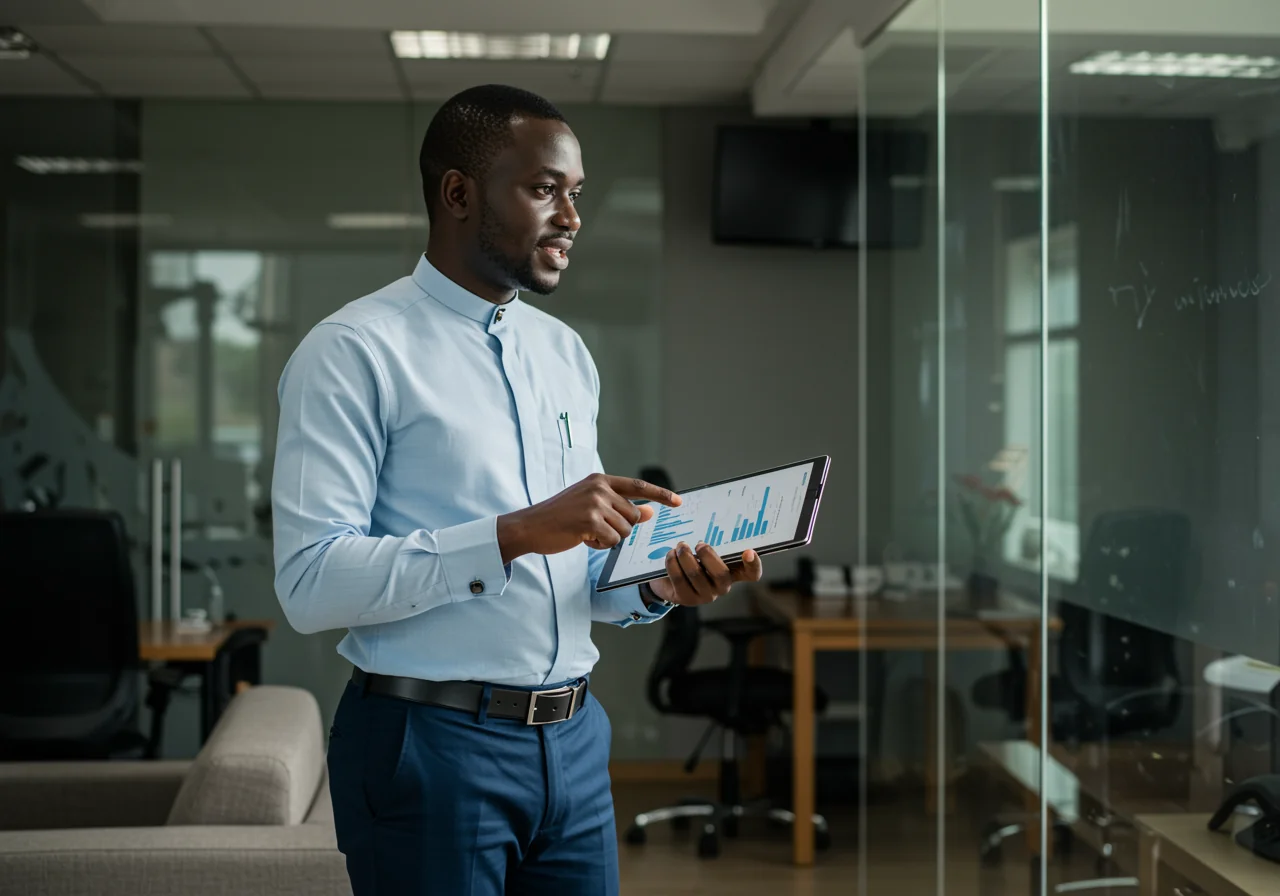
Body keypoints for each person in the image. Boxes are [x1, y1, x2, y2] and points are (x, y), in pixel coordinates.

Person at [271, 84, 763, 896]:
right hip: (429, 744)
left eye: (575, 194)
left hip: (574, 743)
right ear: (458, 194)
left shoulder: (565, 354)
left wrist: (656, 586)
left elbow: (569, 575)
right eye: (544, 190)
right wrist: (513, 532)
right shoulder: (354, 352)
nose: (571, 218)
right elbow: (310, 584)